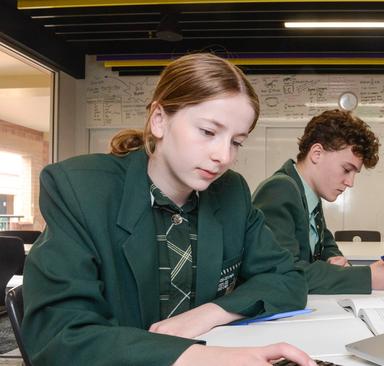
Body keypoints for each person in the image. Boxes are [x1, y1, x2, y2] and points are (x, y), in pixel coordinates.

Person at [22, 53, 315, 366]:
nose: (224, 156)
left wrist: (209, 314)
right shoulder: (79, 188)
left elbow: (288, 277)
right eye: (208, 131)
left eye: (237, 142)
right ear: (159, 120)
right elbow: (59, 336)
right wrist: (199, 358)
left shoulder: (232, 192)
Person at [253, 109, 384, 294]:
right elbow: (284, 272)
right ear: (317, 153)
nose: (350, 182)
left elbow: (327, 245)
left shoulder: (309, 195)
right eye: (346, 169)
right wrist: (368, 277)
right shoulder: (279, 190)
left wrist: (336, 262)